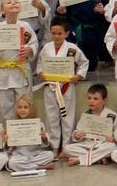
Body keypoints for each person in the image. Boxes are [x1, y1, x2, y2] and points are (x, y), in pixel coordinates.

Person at [35, 16, 89, 155]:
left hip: (66, 87)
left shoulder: (72, 48)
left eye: (59, 33)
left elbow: (84, 62)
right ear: (50, 33)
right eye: (53, 33)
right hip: (50, 86)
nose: (56, 36)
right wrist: (40, 73)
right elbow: (40, 63)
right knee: (51, 117)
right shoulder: (46, 48)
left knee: (67, 117)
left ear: (66, 33)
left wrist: (78, 75)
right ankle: (54, 146)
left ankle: (65, 147)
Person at [0, 0, 39, 120]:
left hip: (21, 68)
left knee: (25, 104)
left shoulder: (25, 26)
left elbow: (34, 43)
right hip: (4, 70)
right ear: (2, 10)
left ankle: (24, 131)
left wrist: (30, 49)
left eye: (16, 2)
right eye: (9, 2)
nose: (13, 3)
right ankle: (7, 132)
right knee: (5, 107)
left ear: (20, 7)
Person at [55, 0, 105, 71]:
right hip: (73, 30)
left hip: (92, 32)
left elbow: (107, 9)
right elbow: (59, 11)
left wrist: (103, 11)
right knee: (71, 65)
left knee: (90, 67)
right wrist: (61, 10)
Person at [64, 84, 117, 166]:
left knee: (113, 147)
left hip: (103, 145)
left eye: (95, 99)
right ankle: (99, 158)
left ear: (104, 100)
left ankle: (81, 159)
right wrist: (76, 134)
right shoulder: (85, 115)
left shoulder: (112, 115)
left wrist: (114, 139)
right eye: (89, 98)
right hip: (87, 145)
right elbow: (77, 133)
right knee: (67, 149)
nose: (91, 101)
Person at [7, 95, 56, 171]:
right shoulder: (13, 125)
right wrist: (7, 140)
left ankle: (26, 166)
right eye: (19, 107)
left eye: (25, 107)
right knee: (12, 162)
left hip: (35, 154)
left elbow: (46, 144)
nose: (22, 110)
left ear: (31, 109)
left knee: (50, 155)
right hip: (20, 155)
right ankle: (40, 167)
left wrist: (44, 138)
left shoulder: (39, 124)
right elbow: (10, 147)